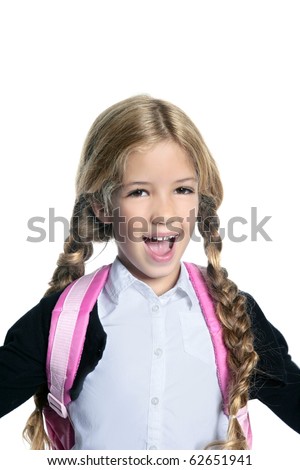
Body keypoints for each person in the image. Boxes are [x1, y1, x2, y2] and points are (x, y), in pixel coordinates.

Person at [0, 95, 299, 450]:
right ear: (102, 206)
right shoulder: (59, 324)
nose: (164, 213)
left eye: (183, 189)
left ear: (199, 202)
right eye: (139, 191)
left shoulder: (236, 316)